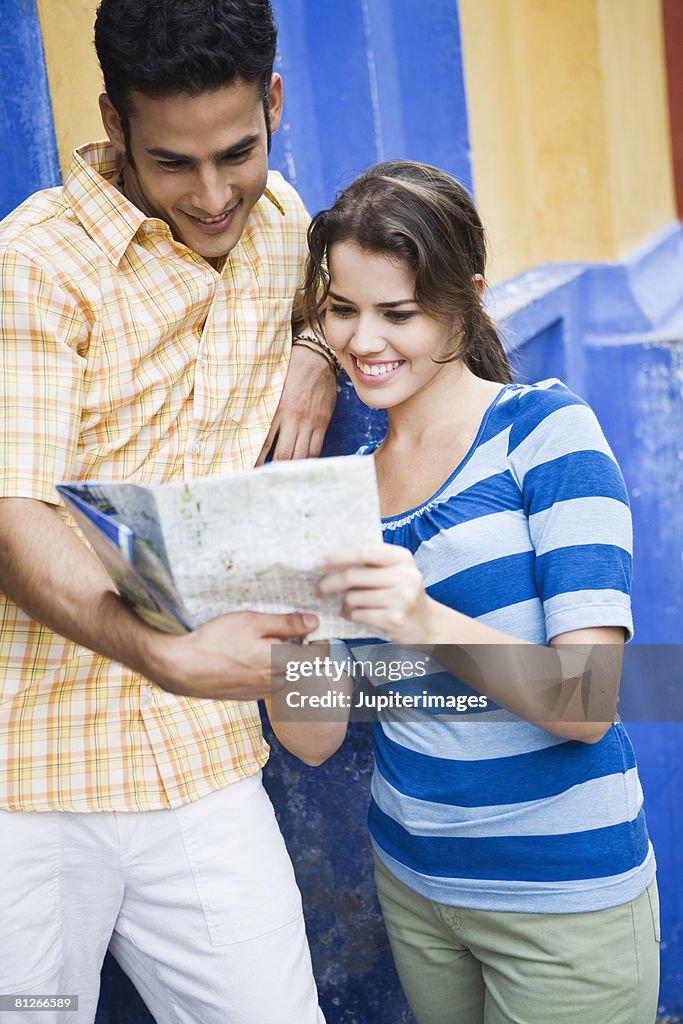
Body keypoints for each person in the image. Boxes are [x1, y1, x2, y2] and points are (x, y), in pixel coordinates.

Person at [0, 2, 333, 1021]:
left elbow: (365, 284)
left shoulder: (283, 226)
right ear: (113, 118)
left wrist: (315, 350)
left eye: (236, 152)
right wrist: (159, 653)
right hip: (30, 772)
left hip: (205, 759)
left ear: (272, 103)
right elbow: (11, 518)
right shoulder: (36, 262)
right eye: (173, 164)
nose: (212, 192)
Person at [269, 160, 660, 1024]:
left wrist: (416, 614)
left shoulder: (544, 432)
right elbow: (312, 739)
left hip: (563, 896)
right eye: (341, 310)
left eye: (397, 313)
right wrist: (290, 624)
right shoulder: (340, 493)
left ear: (467, 298)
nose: (363, 341)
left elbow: (587, 702)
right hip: (414, 889)